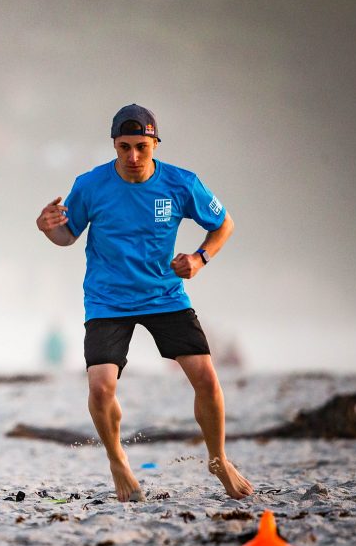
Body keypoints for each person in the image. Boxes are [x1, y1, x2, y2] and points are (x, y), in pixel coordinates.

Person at [36, 103, 253, 502]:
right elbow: (67, 236)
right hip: (108, 300)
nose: (133, 157)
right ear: (114, 146)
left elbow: (224, 224)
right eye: (124, 147)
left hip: (165, 294)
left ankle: (218, 459)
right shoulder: (90, 185)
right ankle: (118, 460)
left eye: (141, 146)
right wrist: (46, 227)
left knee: (206, 378)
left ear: (154, 142)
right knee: (101, 389)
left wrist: (199, 259)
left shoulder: (181, 183)